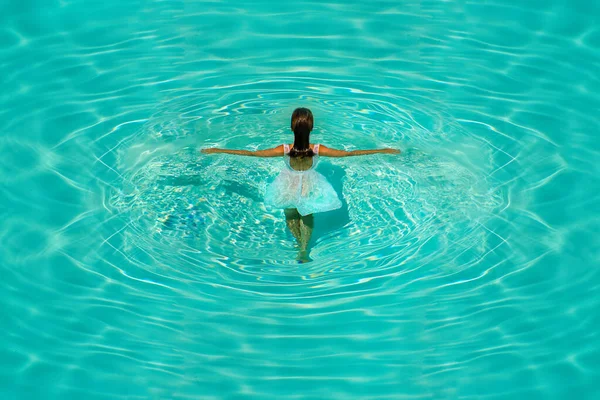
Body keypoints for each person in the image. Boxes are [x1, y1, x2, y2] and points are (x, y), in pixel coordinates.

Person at [202, 107, 400, 262]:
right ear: (312, 128)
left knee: (290, 214)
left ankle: (299, 246)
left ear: (291, 128)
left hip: (286, 184)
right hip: (310, 185)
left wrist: (218, 150)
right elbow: (348, 154)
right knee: (307, 214)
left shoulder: (285, 149)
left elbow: (254, 154)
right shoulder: (317, 149)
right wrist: (383, 150)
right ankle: (305, 248)